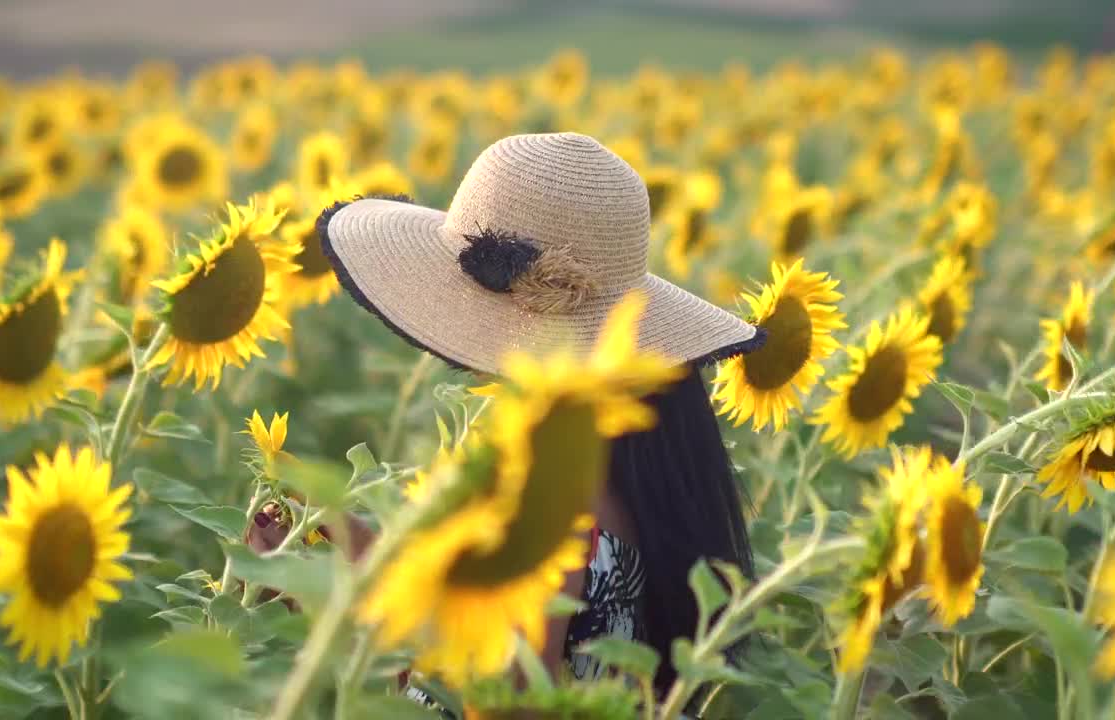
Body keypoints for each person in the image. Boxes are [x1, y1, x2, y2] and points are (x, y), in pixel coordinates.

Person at [249, 133, 764, 706]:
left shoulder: (545, 515)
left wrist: (324, 618)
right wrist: (352, 552)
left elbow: (493, 702)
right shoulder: (621, 470)